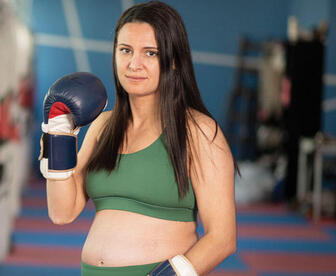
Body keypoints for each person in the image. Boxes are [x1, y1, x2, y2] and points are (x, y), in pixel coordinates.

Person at [39, 1, 238, 275]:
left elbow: (222, 239)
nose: (134, 64)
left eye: (151, 53)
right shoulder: (103, 125)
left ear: (174, 60)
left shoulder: (199, 131)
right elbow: (62, 213)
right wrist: (58, 134)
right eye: (125, 50)